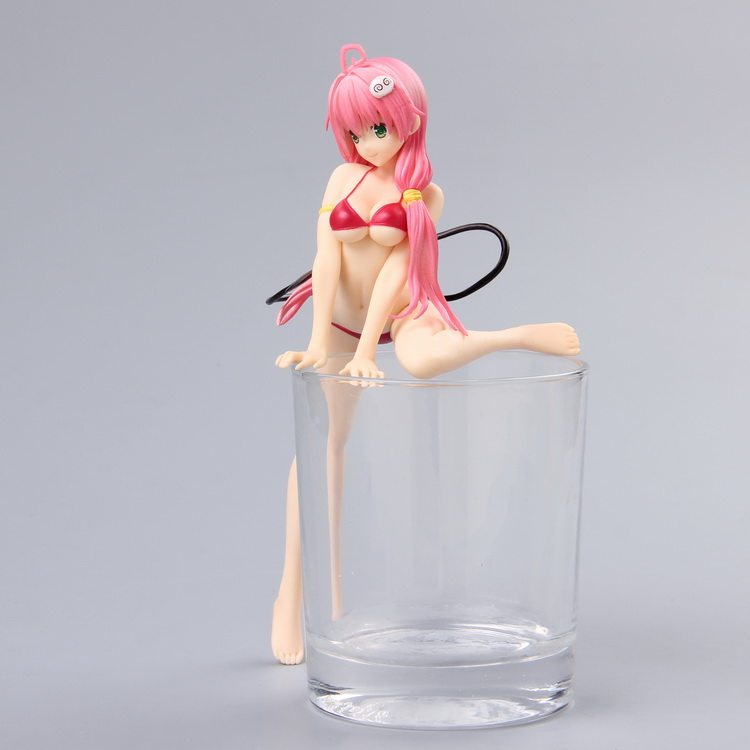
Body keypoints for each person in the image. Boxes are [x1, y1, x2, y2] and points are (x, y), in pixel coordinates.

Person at [271, 44, 580, 665]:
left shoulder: (423, 193)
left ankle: (514, 335)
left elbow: (394, 274)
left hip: (399, 314)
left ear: (409, 118)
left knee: (419, 364)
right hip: (338, 319)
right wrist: (320, 342)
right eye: (353, 132)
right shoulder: (342, 180)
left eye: (377, 129)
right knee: (324, 446)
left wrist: (368, 350)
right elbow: (325, 258)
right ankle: (299, 593)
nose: (365, 143)